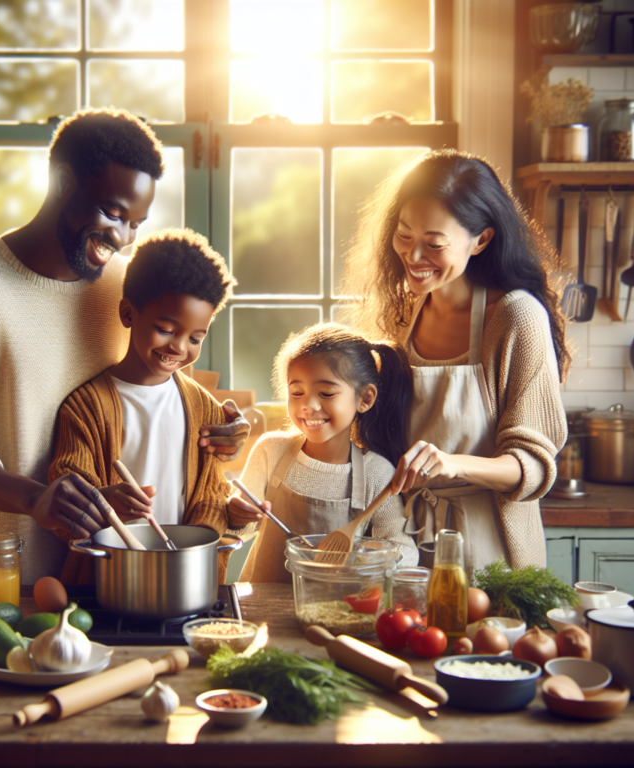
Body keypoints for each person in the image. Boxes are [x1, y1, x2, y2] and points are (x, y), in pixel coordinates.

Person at [0, 108, 249, 585]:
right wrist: (33, 498)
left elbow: (160, 381)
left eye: (136, 222)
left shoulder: (123, 284)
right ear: (62, 181)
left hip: (118, 577)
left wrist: (219, 430)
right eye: (112, 212)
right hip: (14, 579)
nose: (122, 237)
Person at [340, 149, 568, 577]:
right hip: (403, 540)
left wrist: (452, 463)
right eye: (404, 235)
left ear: (481, 240)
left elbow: (535, 467)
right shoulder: (405, 311)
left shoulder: (516, 317)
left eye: (434, 243)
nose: (413, 255)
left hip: (488, 548)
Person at [48, 228, 236, 584]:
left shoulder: (205, 410)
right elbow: (67, 496)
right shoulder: (86, 407)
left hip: (183, 580)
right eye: (166, 329)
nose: (180, 347)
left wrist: (193, 555)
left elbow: (212, 494)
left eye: (196, 337)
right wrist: (105, 503)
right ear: (129, 313)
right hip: (108, 581)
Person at [228, 323, 419, 583]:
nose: (308, 405)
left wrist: (365, 559)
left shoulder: (377, 472)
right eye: (297, 392)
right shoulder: (270, 450)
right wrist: (236, 515)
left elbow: (405, 550)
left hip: (339, 613)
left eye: (326, 393)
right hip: (261, 613)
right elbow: (236, 529)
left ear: (365, 398)